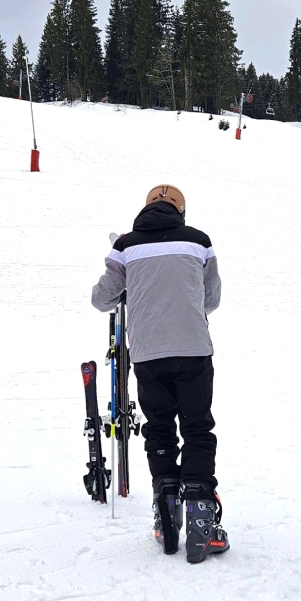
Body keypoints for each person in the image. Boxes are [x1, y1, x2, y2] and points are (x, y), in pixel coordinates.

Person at [91, 185, 229, 564]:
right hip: (194, 349)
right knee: (198, 427)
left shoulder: (125, 245)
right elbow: (211, 298)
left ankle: (167, 507)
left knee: (160, 428)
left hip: (149, 354)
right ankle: (203, 518)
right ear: (180, 211)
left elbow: (102, 299)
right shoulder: (200, 242)